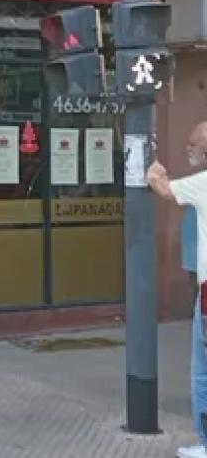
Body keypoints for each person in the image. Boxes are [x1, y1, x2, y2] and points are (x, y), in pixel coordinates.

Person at [147, 120, 207, 458]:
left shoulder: (203, 182)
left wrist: (152, 166)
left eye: (193, 145)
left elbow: (164, 189)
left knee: (203, 371)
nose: (189, 150)